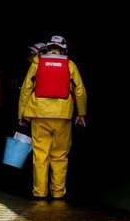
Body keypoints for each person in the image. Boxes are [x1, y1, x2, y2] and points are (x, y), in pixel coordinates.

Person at [17, 35, 87, 199]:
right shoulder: (70, 65)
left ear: (48, 48)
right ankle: (58, 194)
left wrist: (21, 116)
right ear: (64, 50)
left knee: (40, 155)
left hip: (39, 114)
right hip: (62, 115)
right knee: (60, 155)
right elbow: (80, 91)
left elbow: (26, 90)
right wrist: (81, 114)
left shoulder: (37, 64)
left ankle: (39, 194)